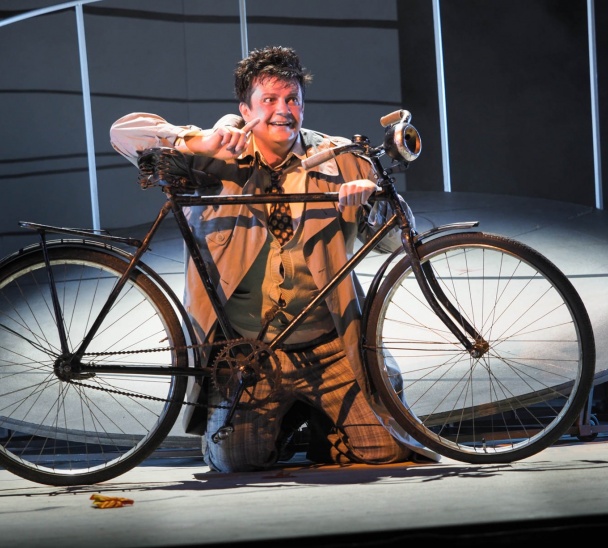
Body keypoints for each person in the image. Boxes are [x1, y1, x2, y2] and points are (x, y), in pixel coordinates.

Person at [110, 45, 438, 472]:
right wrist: (196, 140)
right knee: (236, 462)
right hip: (251, 355)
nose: (283, 110)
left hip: (328, 345)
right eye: (269, 100)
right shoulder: (214, 155)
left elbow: (398, 239)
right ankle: (281, 424)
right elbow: (123, 133)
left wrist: (369, 204)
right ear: (245, 110)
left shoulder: (341, 158)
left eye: (292, 99)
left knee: (385, 450)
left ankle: (322, 422)